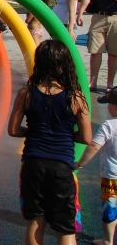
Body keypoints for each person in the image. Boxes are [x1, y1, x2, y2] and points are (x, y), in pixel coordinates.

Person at [7, 40, 91, 245]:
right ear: (65, 64)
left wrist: (36, 132)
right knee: (65, 228)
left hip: (32, 164)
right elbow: (86, 138)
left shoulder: (25, 93)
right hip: (61, 167)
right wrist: (63, 135)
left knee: (35, 221)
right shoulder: (76, 97)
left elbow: (13, 130)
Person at [75, 90, 117, 245]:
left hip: (112, 177)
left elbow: (93, 146)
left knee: (110, 209)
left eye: (109, 104)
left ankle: (108, 240)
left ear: (115, 107)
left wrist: (80, 163)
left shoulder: (109, 125)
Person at [77, 0, 117, 96]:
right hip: (99, 15)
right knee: (95, 50)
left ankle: (110, 83)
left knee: (114, 53)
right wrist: (81, 12)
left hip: (116, 16)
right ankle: (92, 81)